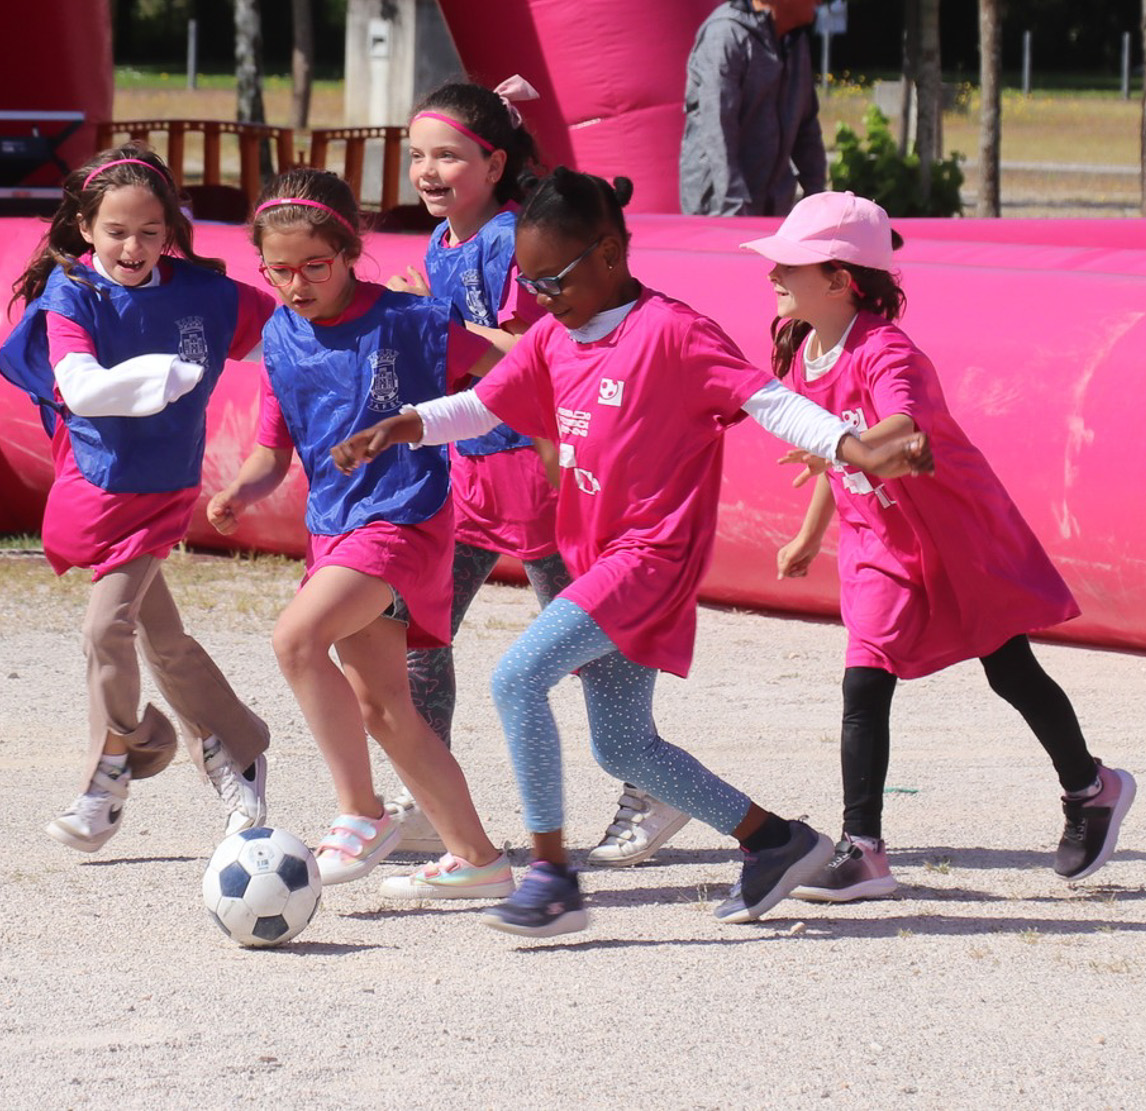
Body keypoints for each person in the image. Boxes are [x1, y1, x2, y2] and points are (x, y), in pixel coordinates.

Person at [332, 167, 933, 939]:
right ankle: (774, 839)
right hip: (599, 557)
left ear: (610, 254)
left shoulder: (673, 331)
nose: (540, 296)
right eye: (530, 281)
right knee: (622, 742)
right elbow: (485, 404)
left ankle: (550, 875)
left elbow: (768, 401)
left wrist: (850, 446)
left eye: (553, 278)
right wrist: (406, 422)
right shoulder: (552, 336)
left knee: (518, 677)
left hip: (650, 558)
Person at [745, 192, 1135, 904]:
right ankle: (863, 849)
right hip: (878, 544)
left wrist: (851, 445)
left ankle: (1092, 786)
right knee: (864, 680)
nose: (773, 271)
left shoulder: (884, 348)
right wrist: (809, 530)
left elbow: (904, 420)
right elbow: (840, 453)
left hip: (952, 533)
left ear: (840, 278)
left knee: (1009, 666)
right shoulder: (804, 353)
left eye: (791, 262)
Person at [206, 168, 515, 902]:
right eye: (278, 271)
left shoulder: (408, 321)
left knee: (295, 639)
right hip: (336, 532)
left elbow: (507, 370)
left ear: (349, 250)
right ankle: (479, 859)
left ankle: (361, 812)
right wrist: (240, 491)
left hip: (405, 519)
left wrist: (534, 432)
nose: (295, 285)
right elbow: (272, 451)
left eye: (314, 265)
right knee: (384, 709)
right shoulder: (280, 335)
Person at [0, 143, 272, 854]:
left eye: (150, 231)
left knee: (103, 628)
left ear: (170, 230)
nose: (134, 246)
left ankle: (109, 772)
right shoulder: (72, 294)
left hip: (162, 487)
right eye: (117, 230)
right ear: (86, 227)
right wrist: (166, 373)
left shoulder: (202, 295)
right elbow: (81, 387)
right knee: (163, 640)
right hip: (94, 486)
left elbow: (296, 329)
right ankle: (223, 744)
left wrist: (392, 323)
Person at [377, 76, 579, 852]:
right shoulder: (441, 241)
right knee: (419, 631)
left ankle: (642, 779)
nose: (428, 171)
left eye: (449, 156)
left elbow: (533, 359)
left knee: (580, 638)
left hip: (535, 470)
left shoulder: (508, 241)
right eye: (417, 154)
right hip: (469, 469)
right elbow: (454, 354)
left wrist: (430, 320)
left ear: (494, 165)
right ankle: (432, 798)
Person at [678, 0, 832, 218]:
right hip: (719, 206)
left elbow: (806, 127)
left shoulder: (795, 41)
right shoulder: (726, 36)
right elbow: (718, 131)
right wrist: (734, 209)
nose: (820, 1)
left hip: (772, 203)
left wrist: (818, 199)